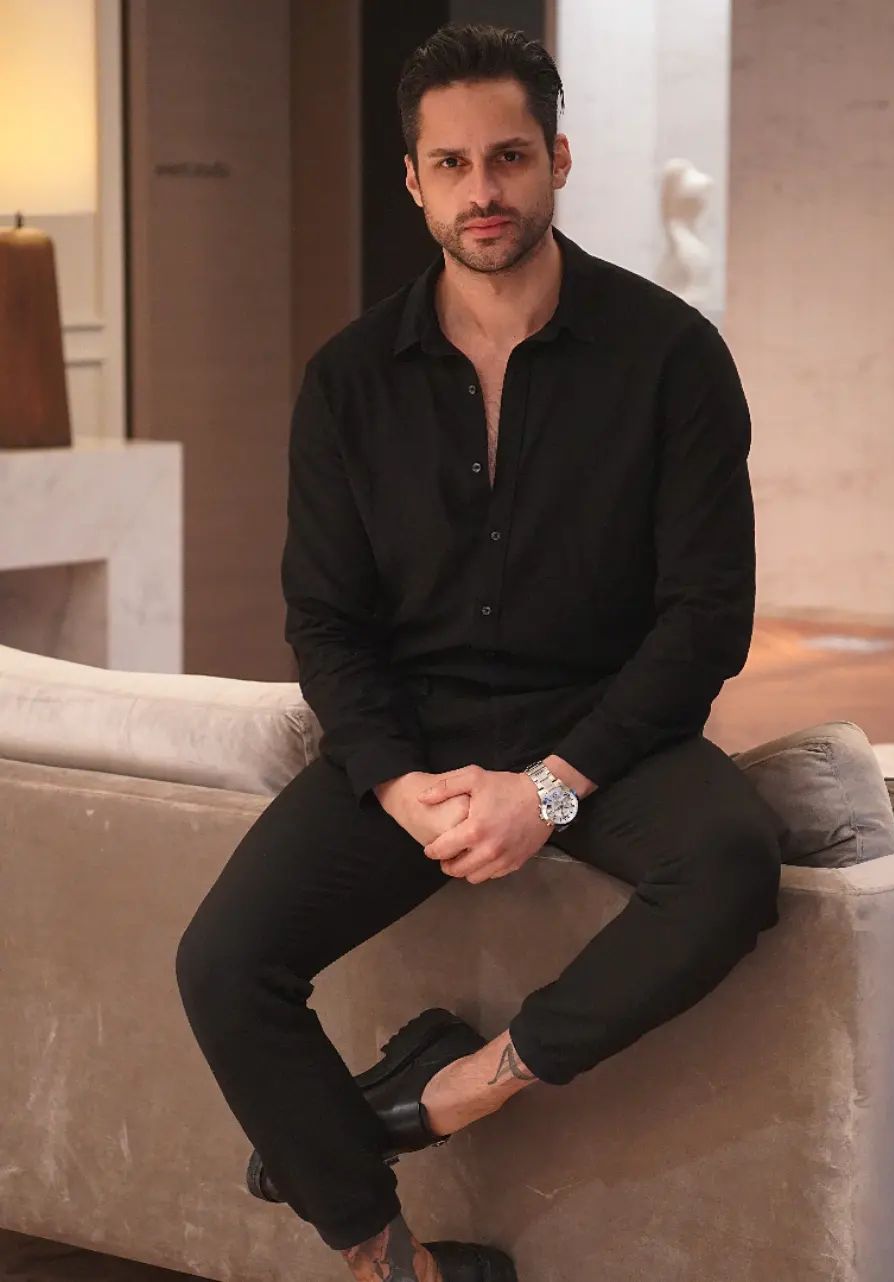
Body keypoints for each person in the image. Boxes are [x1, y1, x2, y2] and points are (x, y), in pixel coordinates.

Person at [175, 20, 784, 1282]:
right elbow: (326, 622)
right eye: (450, 164)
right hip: (420, 738)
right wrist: (399, 783)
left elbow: (707, 617)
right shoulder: (347, 380)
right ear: (413, 180)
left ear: (558, 158)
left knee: (732, 859)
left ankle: (456, 1087)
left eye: (508, 156)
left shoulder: (672, 357)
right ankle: (388, 1257)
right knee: (223, 961)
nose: (482, 189)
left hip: (609, 728)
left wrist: (551, 791)